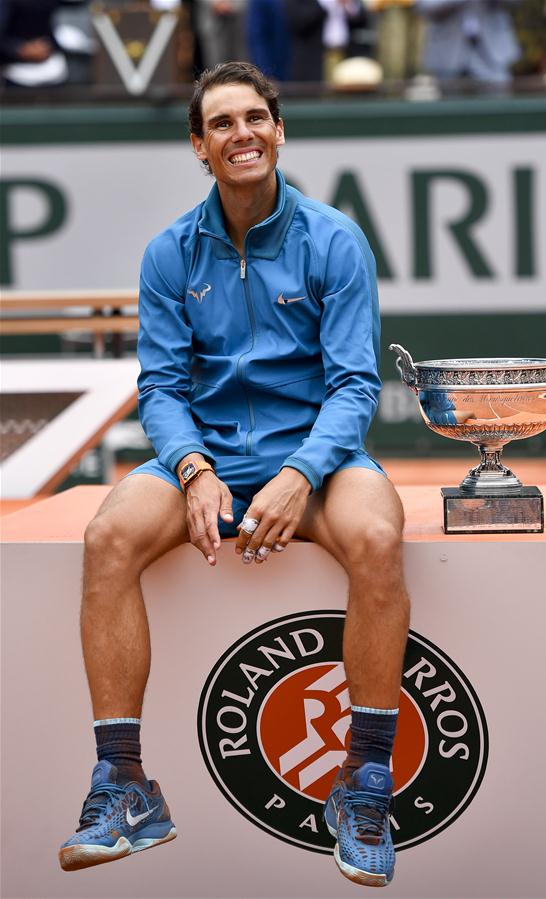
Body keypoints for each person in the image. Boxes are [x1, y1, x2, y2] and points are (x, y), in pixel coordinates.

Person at [58, 61, 410, 888]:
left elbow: (356, 381)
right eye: (221, 123)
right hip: (207, 453)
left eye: (255, 118)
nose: (241, 133)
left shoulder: (333, 238)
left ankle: (361, 785)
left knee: (379, 537)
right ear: (198, 145)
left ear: (279, 130)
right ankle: (125, 787)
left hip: (317, 455)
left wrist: (299, 472)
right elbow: (162, 386)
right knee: (107, 535)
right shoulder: (169, 253)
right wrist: (189, 467)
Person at [415, 0, 521, 85]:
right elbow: (425, 6)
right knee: (451, 108)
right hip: (448, 56)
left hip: (492, 54)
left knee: (496, 106)